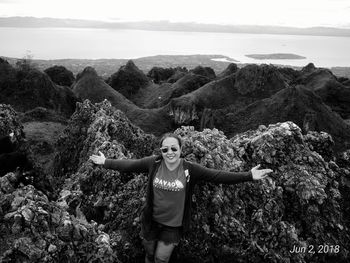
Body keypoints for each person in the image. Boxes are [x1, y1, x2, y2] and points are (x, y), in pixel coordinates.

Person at [89, 133, 273, 263]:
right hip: (151, 221)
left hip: (173, 226)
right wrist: (106, 162)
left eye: (174, 148)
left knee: (161, 258)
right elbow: (129, 165)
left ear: (180, 149)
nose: (169, 152)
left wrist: (248, 175)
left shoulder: (189, 169)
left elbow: (217, 176)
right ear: (161, 150)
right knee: (149, 253)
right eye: (165, 149)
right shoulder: (153, 163)